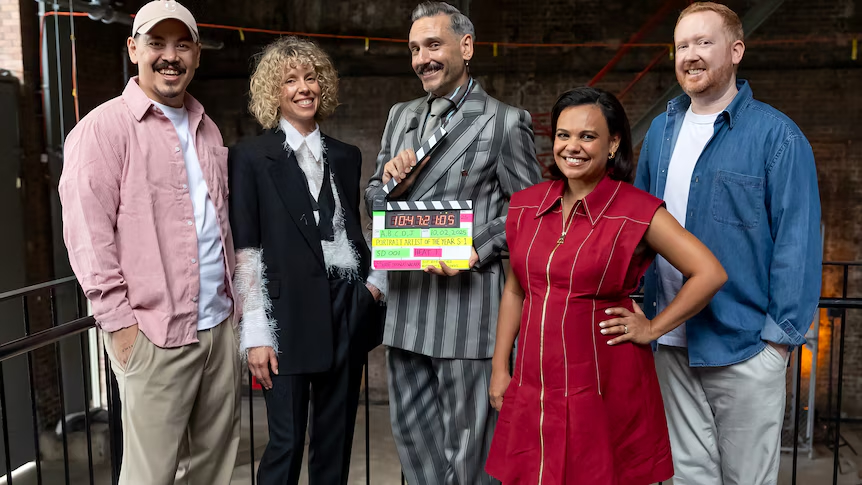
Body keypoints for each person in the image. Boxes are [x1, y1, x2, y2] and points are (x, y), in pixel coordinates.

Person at [484, 87, 728, 484]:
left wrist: (653, 327)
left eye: (587, 136)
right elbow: (516, 290)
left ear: (613, 144)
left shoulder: (637, 209)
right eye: (563, 135)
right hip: (535, 380)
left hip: (603, 380)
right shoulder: (526, 205)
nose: (572, 147)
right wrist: (499, 368)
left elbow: (709, 272)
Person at [634, 3, 822, 484]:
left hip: (745, 346)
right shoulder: (660, 131)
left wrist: (777, 344)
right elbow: (639, 226)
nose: (690, 55)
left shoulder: (778, 137)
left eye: (704, 42)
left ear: (736, 51)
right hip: (670, 342)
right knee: (687, 479)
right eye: (681, 45)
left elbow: (797, 246)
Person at [59, 1, 240, 483]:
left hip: (218, 328)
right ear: (133, 48)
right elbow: (88, 236)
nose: (170, 56)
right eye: (157, 43)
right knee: (149, 476)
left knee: (214, 471)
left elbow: (217, 223)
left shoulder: (207, 128)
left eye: (182, 45)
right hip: (154, 334)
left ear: (197, 55)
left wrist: (235, 315)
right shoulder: (102, 130)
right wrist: (120, 326)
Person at [364, 2, 541, 483]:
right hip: (406, 310)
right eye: (414, 49)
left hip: (468, 315)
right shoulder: (401, 116)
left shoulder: (504, 121)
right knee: (414, 447)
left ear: (466, 47)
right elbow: (375, 199)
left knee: (470, 455)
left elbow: (530, 213)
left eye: (433, 45)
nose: (422, 59)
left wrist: (476, 246)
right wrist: (389, 183)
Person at [229, 36, 384, 485]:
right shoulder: (249, 157)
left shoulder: (347, 156)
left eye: (311, 77)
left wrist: (373, 288)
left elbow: (354, 231)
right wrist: (256, 333)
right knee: (286, 442)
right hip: (285, 314)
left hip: (346, 304)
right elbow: (247, 250)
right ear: (273, 92)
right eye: (290, 80)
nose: (303, 88)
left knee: (334, 444)